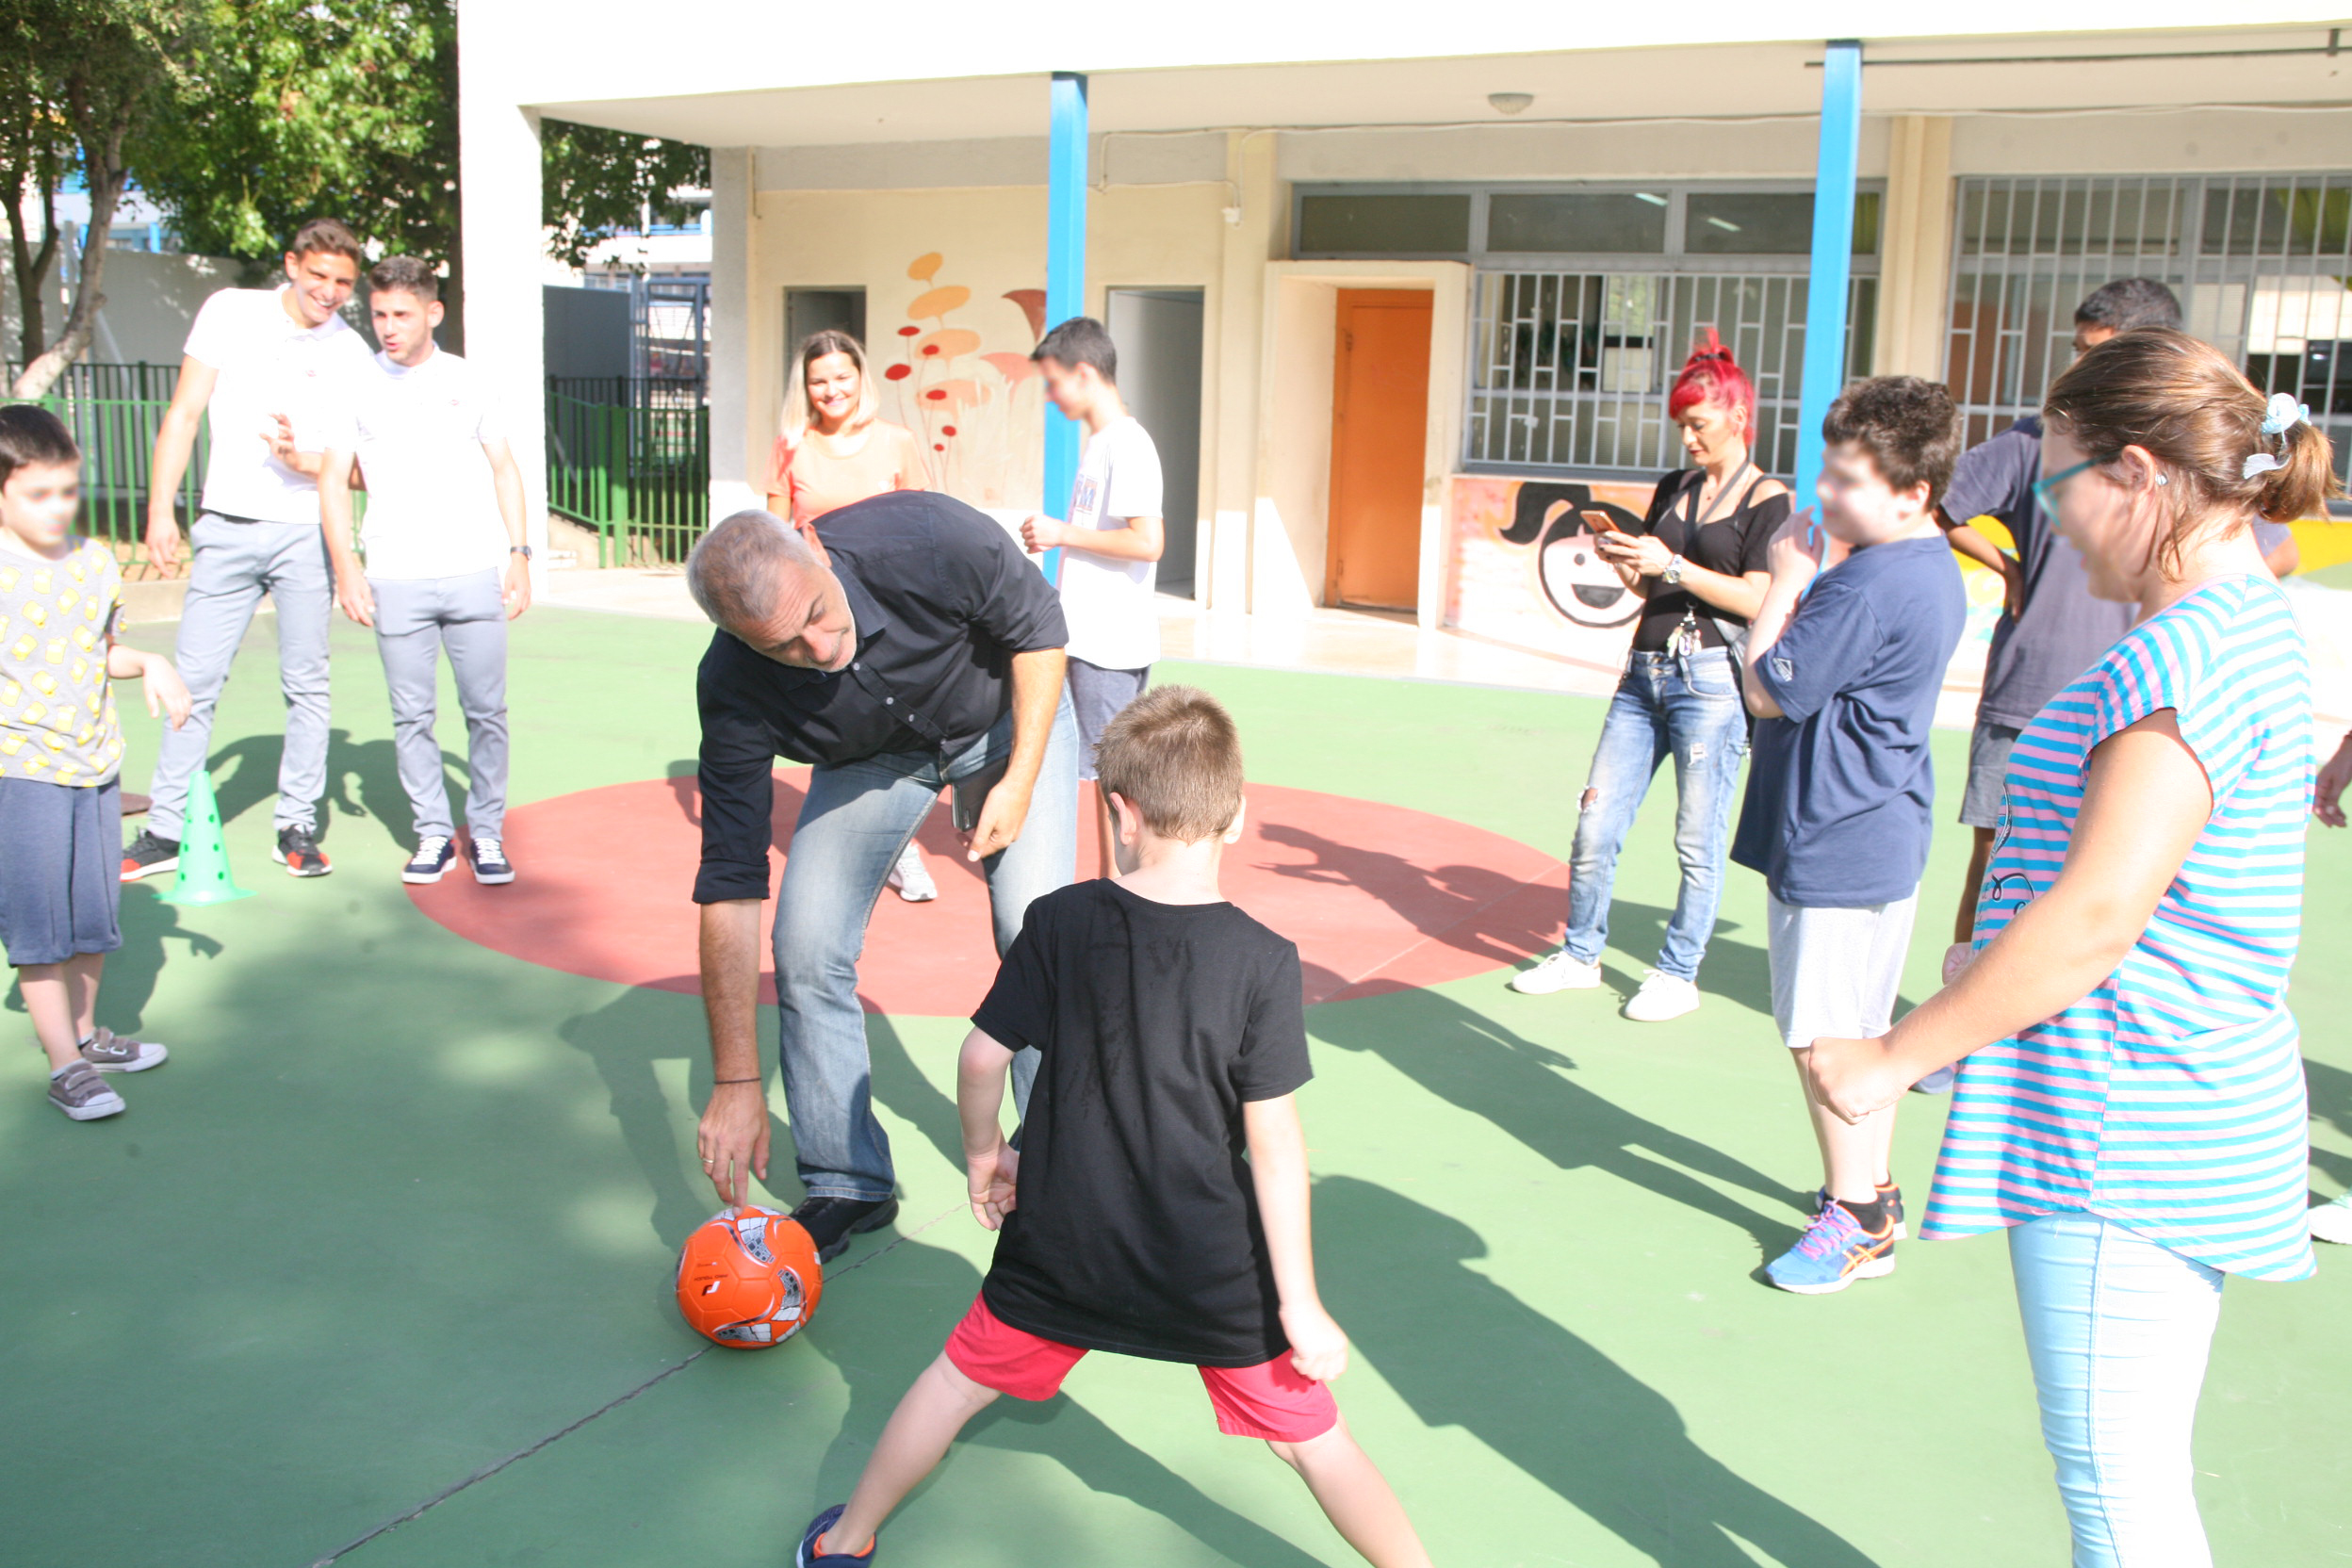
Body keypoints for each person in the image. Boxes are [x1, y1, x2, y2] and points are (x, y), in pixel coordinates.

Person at [1809, 331, 2333, 1563]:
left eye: (2057, 486)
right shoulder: (2241, 620)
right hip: (2166, 1101)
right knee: (2129, 1478)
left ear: (2139, 475)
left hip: (2122, 1119)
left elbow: (2099, 915)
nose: (2047, 520)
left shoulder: (2184, 653)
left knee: (2120, 1493)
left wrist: (1890, 1060)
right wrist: (1989, 948)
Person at [792, 686, 1430, 1568]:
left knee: (952, 1386)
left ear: (1120, 814)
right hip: (1212, 1269)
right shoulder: (1263, 962)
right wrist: (1299, 1303)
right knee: (1314, 1442)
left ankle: (845, 1541)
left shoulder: (1061, 922)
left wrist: (984, 1155)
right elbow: (1276, 1147)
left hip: (1064, 1245)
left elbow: (980, 1059)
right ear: (1237, 815)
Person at [687, 499, 1078, 1262]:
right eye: (782, 647)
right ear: (736, 638)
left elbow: (1039, 632)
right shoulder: (732, 684)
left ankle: (1056, 1163)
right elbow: (730, 881)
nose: (817, 648)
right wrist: (736, 1081)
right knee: (806, 943)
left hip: (1007, 718)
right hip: (872, 759)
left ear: (812, 544)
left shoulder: (926, 537)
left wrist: (1019, 781)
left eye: (815, 614)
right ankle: (847, 1180)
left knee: (1032, 928)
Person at [1732, 377, 1966, 1294]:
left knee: (1823, 1041)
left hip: (1834, 835)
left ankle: (1856, 1215)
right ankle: (1874, 1189)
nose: (1824, 493)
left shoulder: (1866, 585)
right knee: (1863, 1031)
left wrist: (1785, 582)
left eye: (1847, 479)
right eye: (1825, 471)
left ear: (1913, 493)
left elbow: (1768, 689)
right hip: (1881, 824)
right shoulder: (1927, 564)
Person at [1512, 331, 1788, 1021]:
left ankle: (1678, 972)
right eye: (1681, 427)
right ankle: (1580, 954)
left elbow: (1758, 598)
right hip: (1642, 675)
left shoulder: (1769, 500)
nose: (1688, 439)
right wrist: (1631, 564)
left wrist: (1673, 565)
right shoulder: (1676, 486)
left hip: (1712, 683)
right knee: (1594, 823)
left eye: (1698, 425)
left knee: (1697, 839)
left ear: (1737, 417)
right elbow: (1653, 588)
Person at [124, 217, 373, 883]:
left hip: (306, 535)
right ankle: (165, 830)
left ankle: (296, 827)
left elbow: (357, 470)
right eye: (318, 274)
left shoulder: (352, 352)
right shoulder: (229, 311)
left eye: (343, 282)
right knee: (194, 681)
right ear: (291, 264)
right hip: (226, 526)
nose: (329, 291)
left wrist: (300, 460)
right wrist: (160, 510)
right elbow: (183, 413)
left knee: (307, 685)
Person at [316, 256, 531, 885]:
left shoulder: (469, 380)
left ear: (432, 313)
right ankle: (433, 833)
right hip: (395, 575)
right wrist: (346, 567)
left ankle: (486, 832)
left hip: (472, 571)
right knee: (411, 716)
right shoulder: (353, 383)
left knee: (486, 711)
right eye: (379, 314)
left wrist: (519, 554)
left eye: (402, 315)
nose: (388, 326)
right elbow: (332, 480)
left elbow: (505, 468)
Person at [0, 406, 189, 1120]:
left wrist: (150, 662)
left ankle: (85, 1037)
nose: (58, 507)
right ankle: (64, 1067)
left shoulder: (94, 562)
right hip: (21, 771)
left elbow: (99, 652)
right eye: (37, 494)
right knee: (41, 927)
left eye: (68, 490)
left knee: (92, 915)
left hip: (95, 765)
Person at [766, 329, 942, 904]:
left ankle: (902, 849)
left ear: (861, 378)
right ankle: (839, 850)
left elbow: (927, 524)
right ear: (805, 387)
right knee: (837, 730)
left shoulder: (896, 441)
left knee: (904, 730)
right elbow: (775, 539)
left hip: (895, 613)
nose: (832, 389)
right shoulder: (791, 445)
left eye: (842, 376)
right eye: (819, 380)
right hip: (823, 621)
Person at [1019, 316, 1165, 878]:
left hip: (1107, 643)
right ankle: (1121, 884)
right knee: (1110, 772)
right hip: (1093, 636)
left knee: (1113, 776)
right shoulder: (1104, 443)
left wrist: (1062, 533)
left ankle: (1119, 887)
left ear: (1083, 373)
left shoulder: (1126, 445)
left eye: (1054, 382)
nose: (1050, 396)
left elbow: (1147, 542)